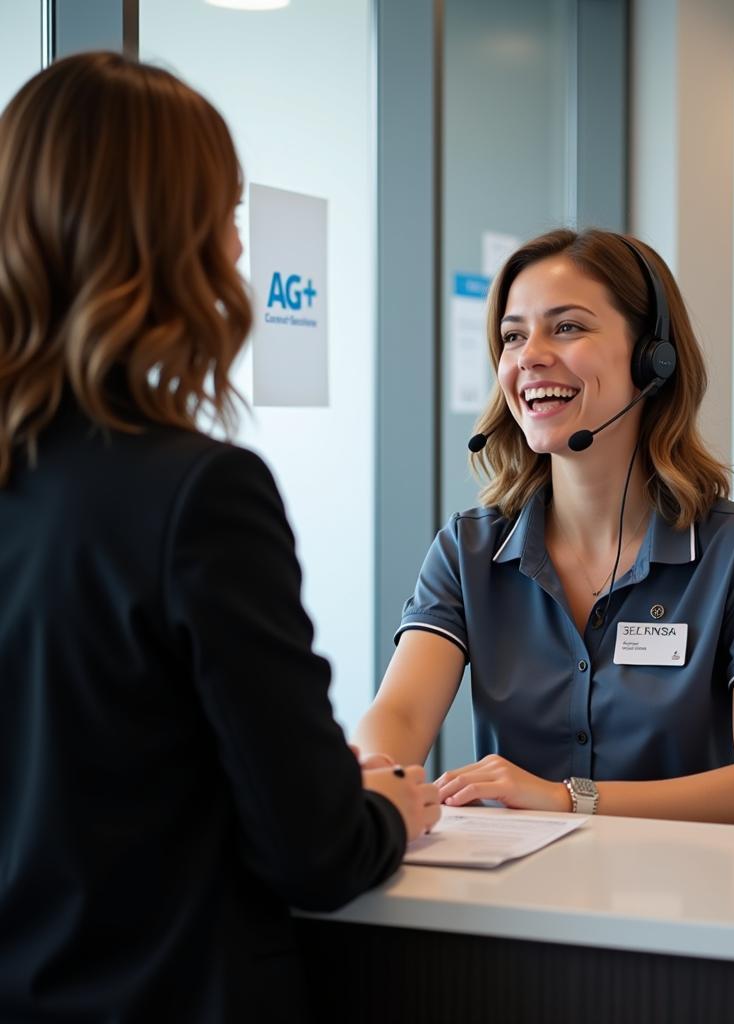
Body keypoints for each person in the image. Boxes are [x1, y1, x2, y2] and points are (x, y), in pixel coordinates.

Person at [0, 53, 439, 1023]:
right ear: (166, 239)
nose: (239, 253)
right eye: (222, 217)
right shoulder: (198, 494)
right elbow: (314, 851)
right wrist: (386, 813)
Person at [355, 227, 734, 826]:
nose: (530, 356)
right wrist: (372, 773)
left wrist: (570, 799)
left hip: (686, 892)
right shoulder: (469, 549)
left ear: (653, 357)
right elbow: (402, 716)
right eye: (513, 335)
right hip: (516, 891)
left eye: (567, 327)